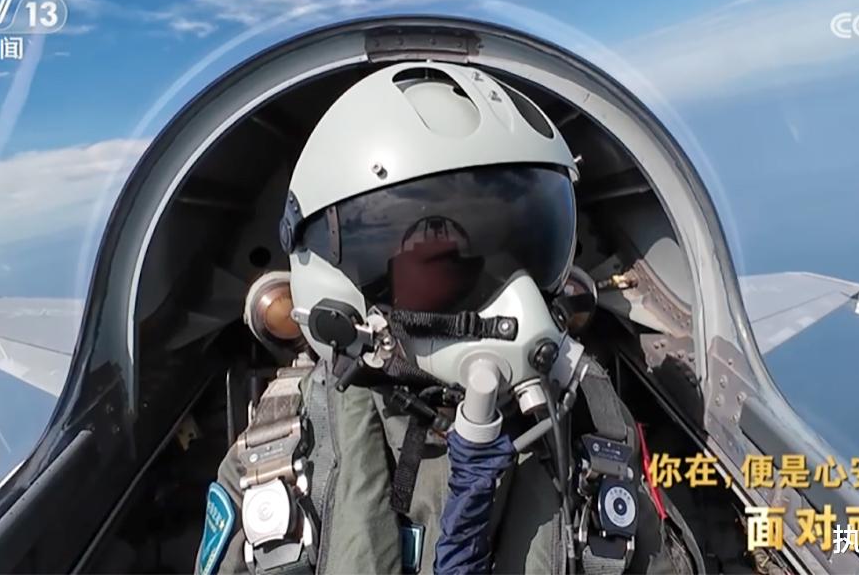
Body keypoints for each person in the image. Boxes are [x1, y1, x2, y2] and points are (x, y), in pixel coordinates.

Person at [196, 62, 658, 575]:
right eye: (438, 267)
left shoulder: (592, 423)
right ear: (341, 302)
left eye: (522, 254)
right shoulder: (283, 457)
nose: (521, 307)